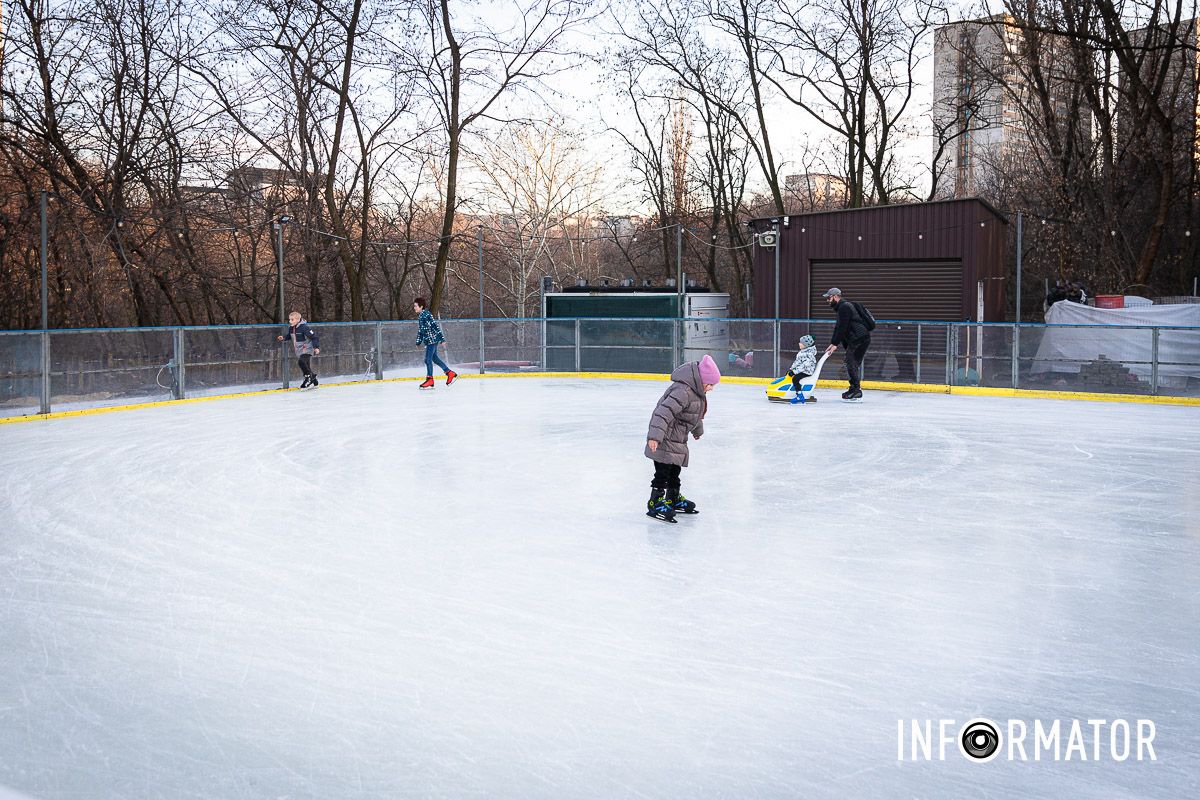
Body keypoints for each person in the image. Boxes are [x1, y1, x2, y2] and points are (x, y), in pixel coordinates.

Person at [644, 354, 720, 522]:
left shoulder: (697, 393)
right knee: (662, 473)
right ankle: (655, 501)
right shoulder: (683, 391)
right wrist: (655, 437)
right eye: (710, 384)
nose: (711, 388)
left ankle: (672, 498)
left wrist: (697, 430)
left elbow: (695, 415)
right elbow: (662, 413)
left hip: (678, 440)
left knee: (674, 472)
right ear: (702, 380)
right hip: (665, 440)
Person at [822, 287, 870, 401]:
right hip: (857, 339)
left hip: (860, 339)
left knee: (851, 363)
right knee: (851, 363)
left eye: (829, 298)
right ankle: (853, 388)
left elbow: (842, 327)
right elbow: (838, 327)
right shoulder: (841, 308)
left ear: (835, 296)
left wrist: (835, 344)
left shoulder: (844, 307)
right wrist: (833, 343)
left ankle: (856, 390)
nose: (828, 300)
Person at [413, 297, 457, 389]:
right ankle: (449, 373)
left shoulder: (427, 314)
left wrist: (442, 339)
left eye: (416, 306)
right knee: (435, 359)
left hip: (432, 340)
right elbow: (421, 330)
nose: (414, 308)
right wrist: (418, 342)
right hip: (428, 341)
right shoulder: (421, 316)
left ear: (421, 306)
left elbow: (435, 326)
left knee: (427, 359)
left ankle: (430, 379)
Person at [276, 311, 320, 388]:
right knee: (307, 366)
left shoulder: (304, 327)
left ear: (298, 319)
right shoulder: (291, 328)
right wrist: (283, 338)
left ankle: (308, 378)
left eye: (292, 319)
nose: (290, 321)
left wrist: (316, 347)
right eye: (289, 319)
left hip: (307, 349)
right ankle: (314, 380)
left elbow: (314, 337)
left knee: (301, 362)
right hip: (299, 350)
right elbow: (289, 336)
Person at [787, 335, 819, 404]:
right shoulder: (803, 352)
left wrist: (794, 372)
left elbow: (804, 366)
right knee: (791, 376)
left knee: (795, 378)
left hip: (807, 371)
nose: (799, 343)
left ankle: (799, 395)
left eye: (801, 343)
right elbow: (797, 362)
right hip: (803, 369)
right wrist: (791, 369)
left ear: (806, 345)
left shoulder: (809, 354)